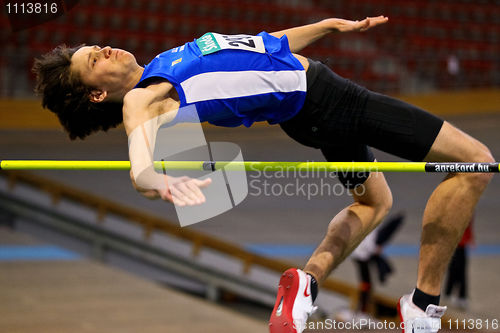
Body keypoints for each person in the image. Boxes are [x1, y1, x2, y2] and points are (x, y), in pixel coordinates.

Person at [32, 15, 495, 333]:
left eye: (95, 48)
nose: (104, 50)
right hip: (329, 102)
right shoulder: (143, 96)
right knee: (475, 163)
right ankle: (421, 307)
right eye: (94, 61)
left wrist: (327, 27)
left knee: (373, 203)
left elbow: (263, 47)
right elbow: (140, 167)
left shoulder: (164, 62)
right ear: (96, 95)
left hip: (312, 107)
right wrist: (158, 180)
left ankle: (305, 286)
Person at [444, 217, 474, 311]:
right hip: (455, 241)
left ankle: (453, 294)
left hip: (459, 242)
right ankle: (458, 295)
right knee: (457, 268)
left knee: (456, 268)